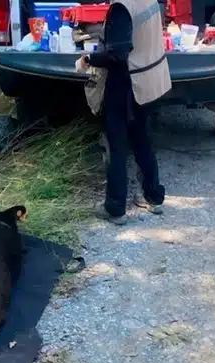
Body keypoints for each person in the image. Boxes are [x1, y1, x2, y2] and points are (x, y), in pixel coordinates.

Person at [78, 0, 171, 225]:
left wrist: (88, 59)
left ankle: (115, 208)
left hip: (126, 84)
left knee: (116, 147)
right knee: (142, 141)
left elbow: (117, 55)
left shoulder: (121, 8)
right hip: (147, 80)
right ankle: (153, 197)